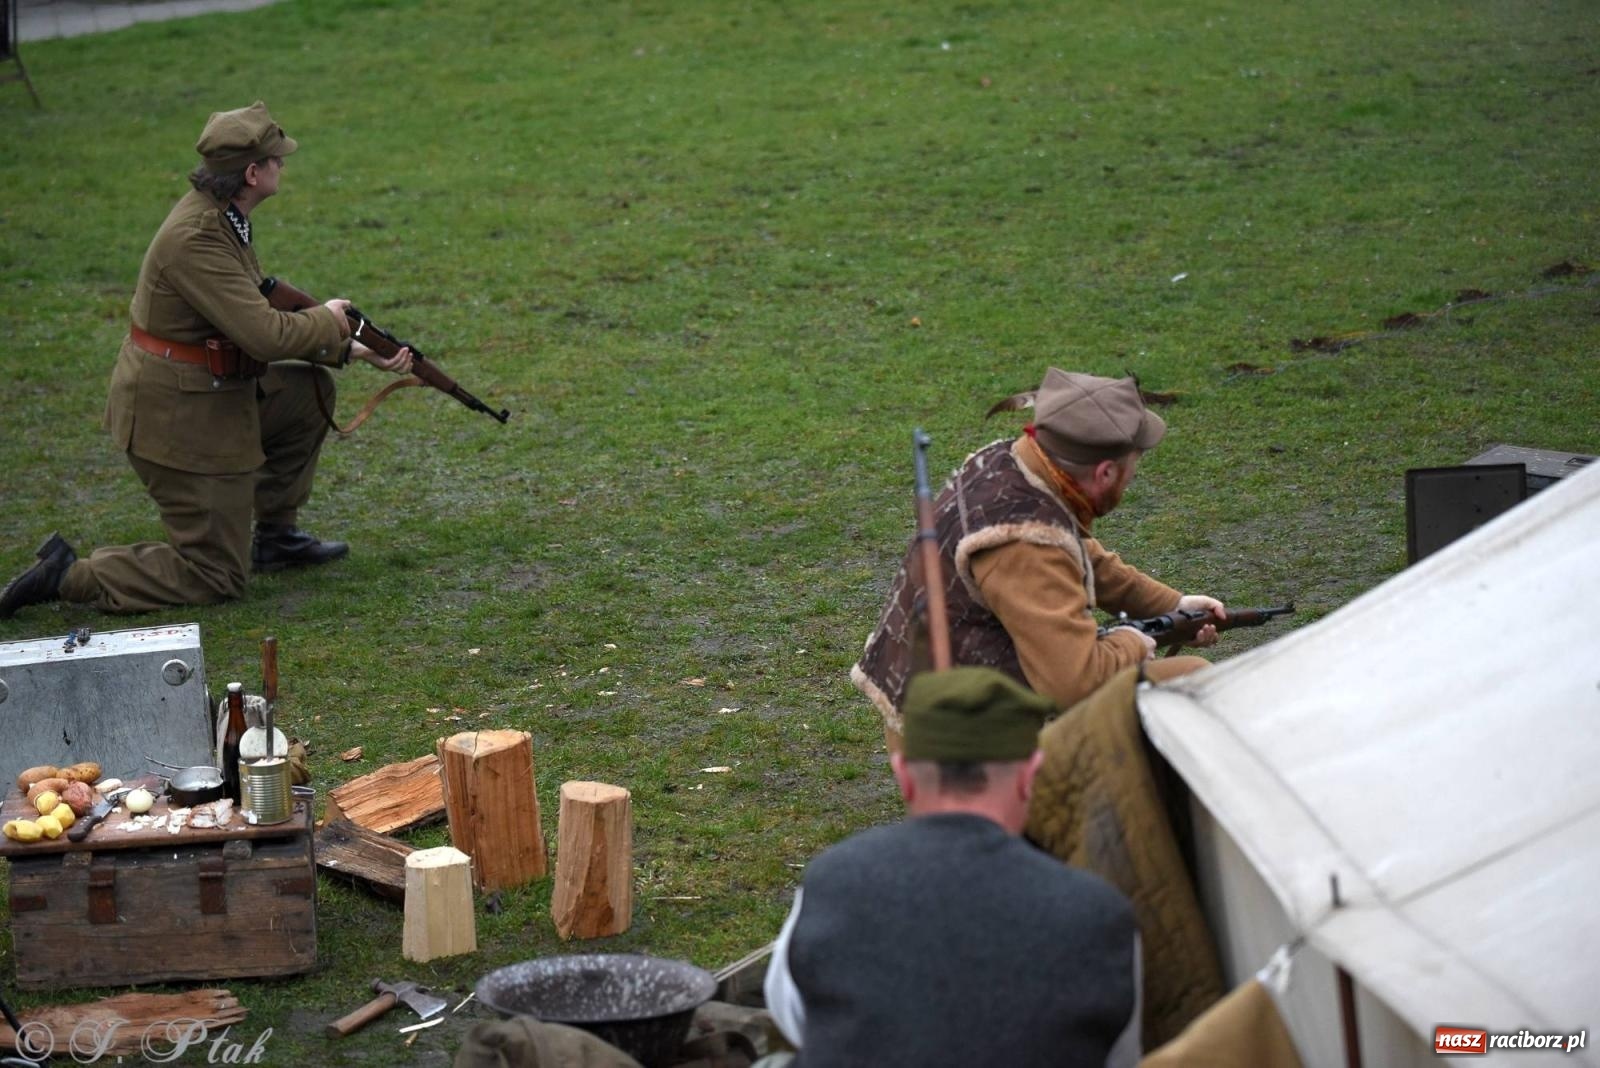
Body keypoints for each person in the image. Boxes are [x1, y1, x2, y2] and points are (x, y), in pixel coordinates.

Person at [0, 101, 412, 618]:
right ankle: (72, 574)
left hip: (210, 394)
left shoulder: (221, 217)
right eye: (276, 159)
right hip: (178, 421)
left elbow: (248, 312)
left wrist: (344, 347)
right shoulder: (197, 237)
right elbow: (262, 333)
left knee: (309, 392)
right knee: (215, 575)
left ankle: (277, 539)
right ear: (252, 173)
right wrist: (330, 321)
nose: (284, 164)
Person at [762, 667, 1143, 1068]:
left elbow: (792, 1017)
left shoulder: (832, 881)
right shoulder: (1099, 914)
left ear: (903, 775)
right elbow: (1121, 1056)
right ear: (1030, 777)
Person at [851, 368, 1227, 740]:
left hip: (943, 697)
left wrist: (1172, 605)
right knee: (1189, 684)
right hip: (968, 746)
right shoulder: (1027, 546)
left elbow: (1078, 551)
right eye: (1134, 464)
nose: (1134, 474)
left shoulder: (1012, 466)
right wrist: (1133, 642)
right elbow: (1074, 683)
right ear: (1106, 474)